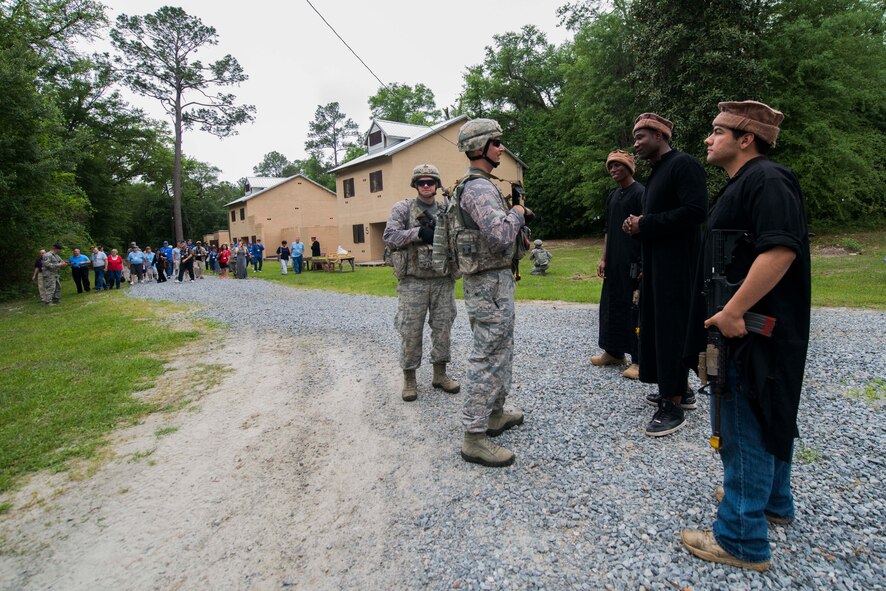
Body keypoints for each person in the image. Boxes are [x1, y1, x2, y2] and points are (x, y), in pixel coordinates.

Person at [680, 101, 810, 572]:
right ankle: (772, 500)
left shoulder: (767, 180)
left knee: (743, 422)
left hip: (754, 330)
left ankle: (740, 535)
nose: (709, 140)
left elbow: (780, 251)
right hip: (757, 329)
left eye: (717, 132)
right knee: (767, 409)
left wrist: (734, 311)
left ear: (745, 138)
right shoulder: (747, 183)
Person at [623, 113, 707, 437]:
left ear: (659, 135)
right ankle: (679, 390)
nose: (636, 143)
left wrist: (646, 223)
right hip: (657, 265)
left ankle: (672, 406)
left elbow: (696, 211)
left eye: (641, 136)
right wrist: (637, 226)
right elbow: (659, 219)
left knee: (672, 329)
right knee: (659, 329)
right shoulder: (658, 173)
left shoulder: (683, 164)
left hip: (678, 267)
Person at [454, 118, 529, 468]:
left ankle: (495, 414)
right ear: (480, 148)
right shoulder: (479, 189)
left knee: (501, 350)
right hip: (488, 285)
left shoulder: (481, 185)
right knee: (487, 356)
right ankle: (474, 437)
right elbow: (499, 235)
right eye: (496, 143)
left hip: (494, 282)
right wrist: (516, 212)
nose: (501, 148)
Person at [383, 163, 461, 403]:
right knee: (410, 330)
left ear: (437, 185)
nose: (426, 186)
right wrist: (418, 233)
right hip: (413, 282)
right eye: (421, 182)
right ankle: (409, 379)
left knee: (443, 328)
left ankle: (440, 374)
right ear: (415, 185)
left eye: (430, 182)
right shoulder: (403, 208)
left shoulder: (447, 209)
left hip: (441, 280)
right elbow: (389, 236)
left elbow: (459, 236)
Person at [592, 150, 644, 380]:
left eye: (618, 166)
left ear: (629, 168)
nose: (613, 170)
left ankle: (639, 360)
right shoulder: (613, 196)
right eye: (610, 166)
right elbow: (607, 230)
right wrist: (604, 258)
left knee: (633, 309)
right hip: (613, 262)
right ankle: (614, 352)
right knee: (611, 307)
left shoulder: (640, 193)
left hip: (633, 261)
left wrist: (643, 263)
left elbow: (647, 229)